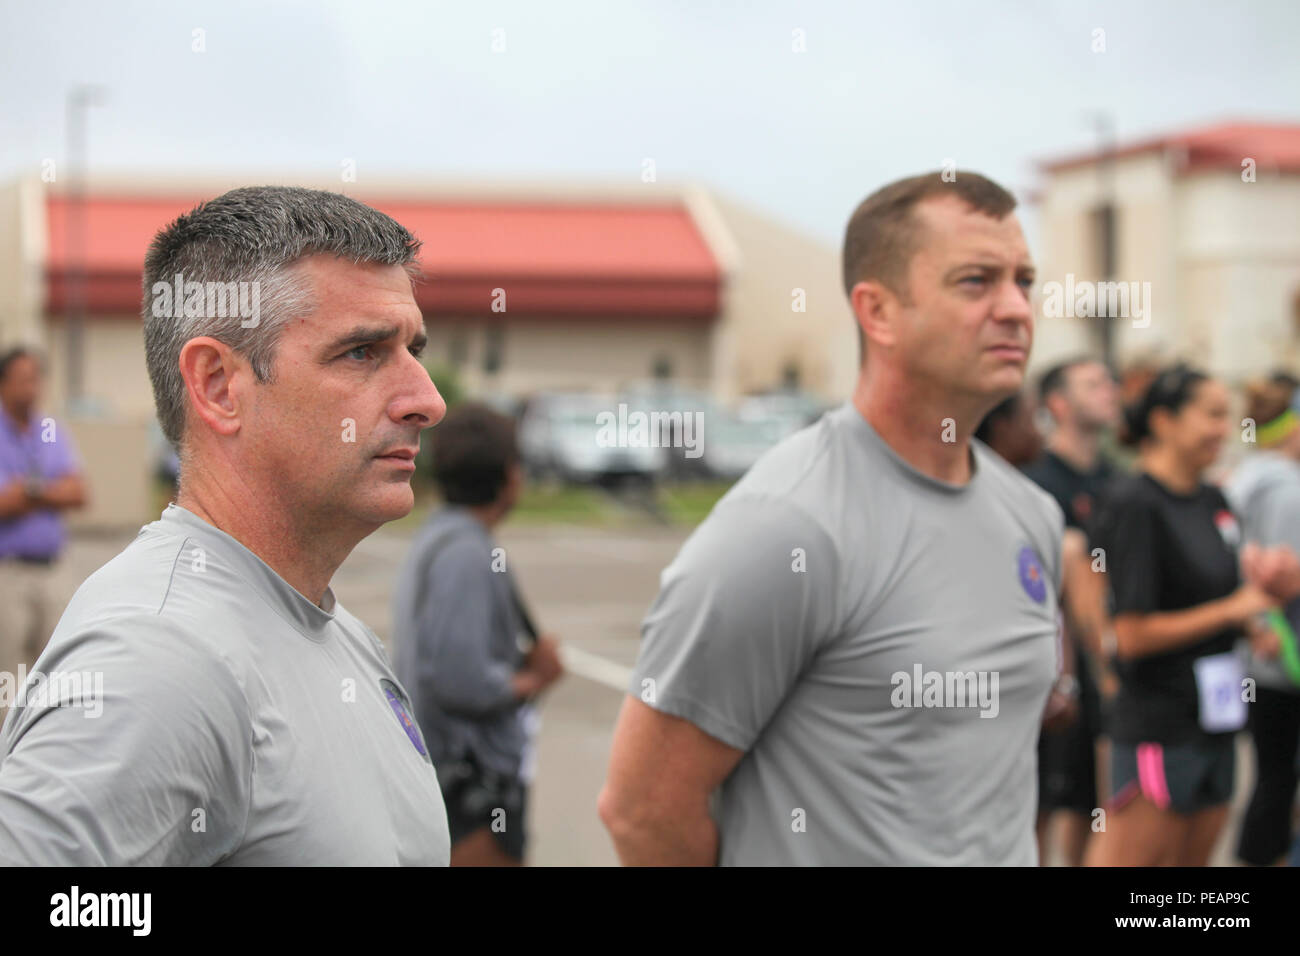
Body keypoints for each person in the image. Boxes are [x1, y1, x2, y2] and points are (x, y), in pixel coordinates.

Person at [599, 171, 1065, 865]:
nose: (1016, 308)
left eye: (1024, 281)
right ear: (877, 312)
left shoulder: (1033, 516)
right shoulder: (785, 528)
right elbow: (642, 812)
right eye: (977, 281)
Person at [0, 186, 451, 865]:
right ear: (217, 386)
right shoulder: (161, 657)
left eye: (413, 348)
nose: (428, 400)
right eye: (362, 352)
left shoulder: (337, 633)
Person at [1085, 364, 1276, 866]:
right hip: (1158, 724)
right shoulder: (1135, 503)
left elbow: (1226, 594)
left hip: (1218, 718)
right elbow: (1130, 635)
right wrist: (1230, 610)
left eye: (1228, 416)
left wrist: (1255, 619)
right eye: (1212, 415)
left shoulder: (1213, 498)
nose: (1224, 429)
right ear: (1165, 421)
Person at [391, 402, 564, 866]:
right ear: (509, 475)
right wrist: (533, 680)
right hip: (469, 791)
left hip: (454, 781)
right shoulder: (466, 552)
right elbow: (458, 679)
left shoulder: (444, 537)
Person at [1021, 357, 1123, 865]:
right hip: (1052, 671)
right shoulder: (1034, 484)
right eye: (1094, 383)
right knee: (1040, 802)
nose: (1110, 389)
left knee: (1093, 803)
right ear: (1057, 404)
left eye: (1108, 381)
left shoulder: (1120, 483)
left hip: (1103, 664)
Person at [1226, 375, 1300, 865]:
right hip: (1283, 655)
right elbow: (1277, 571)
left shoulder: (1242, 477)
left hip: (1256, 655)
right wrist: (1266, 627)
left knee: (1271, 776)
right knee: (1277, 780)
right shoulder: (1287, 487)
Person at [0, 346, 88, 714]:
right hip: (9, 572)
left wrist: (32, 492)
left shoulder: (49, 429)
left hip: (53, 570)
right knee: (7, 673)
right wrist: (46, 492)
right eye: (23, 380)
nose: (32, 388)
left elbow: (78, 491)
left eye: (36, 379)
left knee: (57, 670)